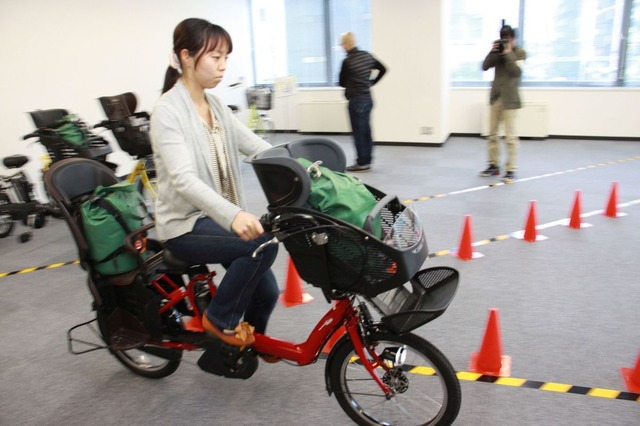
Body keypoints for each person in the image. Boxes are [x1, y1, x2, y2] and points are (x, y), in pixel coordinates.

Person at [150, 18, 279, 348]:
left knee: (267, 294)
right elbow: (183, 178)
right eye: (215, 57)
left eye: (226, 58)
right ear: (187, 57)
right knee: (262, 244)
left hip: (218, 219)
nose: (223, 67)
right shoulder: (168, 110)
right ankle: (219, 320)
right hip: (185, 225)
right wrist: (234, 216)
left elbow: (256, 146)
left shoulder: (215, 105)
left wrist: (302, 164)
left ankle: (245, 346)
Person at [479, 25, 527, 183]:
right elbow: (485, 66)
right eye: (503, 38)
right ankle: (493, 165)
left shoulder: (520, 53)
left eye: (509, 38)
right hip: (496, 97)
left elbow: (517, 73)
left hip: (510, 99)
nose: (506, 41)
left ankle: (511, 169)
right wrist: (493, 51)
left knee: (510, 136)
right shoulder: (497, 52)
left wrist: (508, 53)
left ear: (514, 39)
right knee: (492, 134)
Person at [339, 31, 387, 173]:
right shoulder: (367, 56)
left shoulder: (347, 61)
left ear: (347, 44)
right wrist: (371, 82)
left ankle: (362, 163)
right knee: (366, 131)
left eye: (342, 44)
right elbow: (383, 69)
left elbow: (341, 82)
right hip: (368, 99)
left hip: (356, 101)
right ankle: (367, 160)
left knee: (358, 133)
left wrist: (352, 82)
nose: (342, 47)